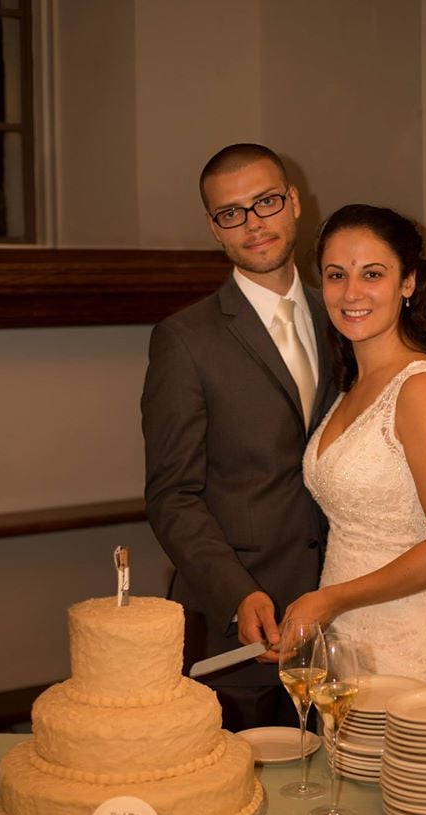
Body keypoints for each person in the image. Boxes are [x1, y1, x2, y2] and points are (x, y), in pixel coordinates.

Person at [141, 143, 337, 730]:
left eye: (266, 202)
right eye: (231, 212)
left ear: (294, 202)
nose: (253, 223)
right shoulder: (184, 340)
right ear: (214, 228)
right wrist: (237, 593)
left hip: (343, 615)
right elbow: (172, 496)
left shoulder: (344, 316)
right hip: (243, 633)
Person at [283, 204, 426, 687]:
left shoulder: (420, 387)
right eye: (336, 275)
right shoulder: (352, 386)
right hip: (345, 638)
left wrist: (331, 600)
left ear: (407, 282)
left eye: (372, 274)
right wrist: (323, 611)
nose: (351, 293)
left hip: (407, 642)